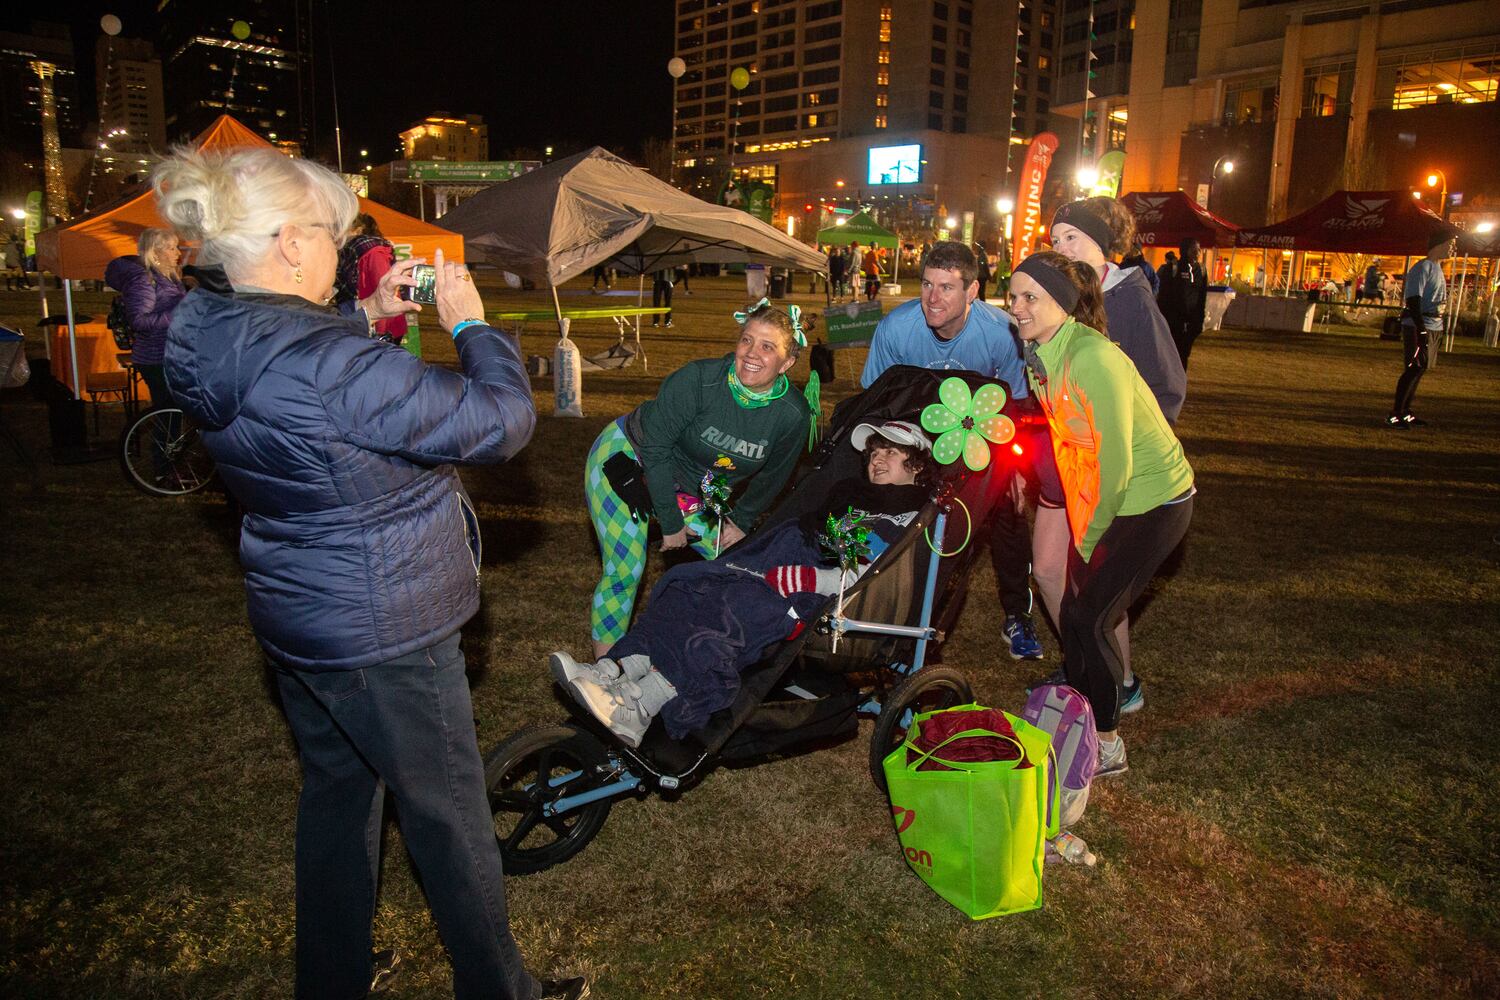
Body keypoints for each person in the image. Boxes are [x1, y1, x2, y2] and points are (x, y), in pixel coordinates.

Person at [154, 146, 584, 1000]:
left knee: (338, 799)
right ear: (285, 244)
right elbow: (499, 423)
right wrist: (470, 324)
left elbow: (296, 372)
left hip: (298, 615)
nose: (343, 245)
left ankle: (333, 976)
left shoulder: (206, 336)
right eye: (331, 232)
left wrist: (362, 310)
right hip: (386, 626)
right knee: (450, 818)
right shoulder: (333, 366)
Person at [555, 421, 935, 746]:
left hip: (811, 589)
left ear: (916, 463)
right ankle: (616, 673)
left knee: (732, 610)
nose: (877, 458)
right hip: (781, 554)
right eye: (874, 452)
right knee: (688, 583)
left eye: (891, 451)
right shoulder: (852, 496)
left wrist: (807, 577)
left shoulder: (901, 516)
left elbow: (863, 576)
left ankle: (642, 707)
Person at [1008, 251, 1194, 776]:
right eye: (1013, 295)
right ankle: (1088, 706)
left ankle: (1108, 740)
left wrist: (1088, 539)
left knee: (1088, 615)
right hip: (1111, 500)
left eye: (1030, 298)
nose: (1016, 308)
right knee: (1080, 614)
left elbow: (1115, 459)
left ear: (1063, 305)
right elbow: (1072, 448)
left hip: (1154, 502)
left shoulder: (1093, 357)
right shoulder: (1040, 353)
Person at [585, 300, 815, 659]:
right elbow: (657, 449)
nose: (752, 353)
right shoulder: (699, 380)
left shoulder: (792, 414)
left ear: (787, 363)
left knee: (740, 571)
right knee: (626, 570)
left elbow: (775, 474)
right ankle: (603, 673)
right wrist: (671, 522)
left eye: (767, 347)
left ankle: (698, 662)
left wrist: (742, 519)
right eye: (746, 340)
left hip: (693, 487)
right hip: (628, 457)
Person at [861, 240, 1045, 661]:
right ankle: (886, 603)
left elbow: (1016, 404)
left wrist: (1013, 470)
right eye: (927, 284)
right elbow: (873, 401)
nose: (932, 298)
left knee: (1008, 514)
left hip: (979, 436)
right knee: (909, 517)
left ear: (973, 291)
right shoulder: (896, 327)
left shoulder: (1002, 332)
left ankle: (1017, 614)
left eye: (946, 287)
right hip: (916, 436)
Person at [1043, 198, 1188, 713]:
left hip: (1119, 475)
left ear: (1103, 249)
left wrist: (1128, 449)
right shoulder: (1058, 299)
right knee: (1052, 571)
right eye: (1055, 239)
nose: (1061, 248)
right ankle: (1086, 664)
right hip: (1067, 467)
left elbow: (1166, 387)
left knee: (1097, 581)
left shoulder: (1130, 303)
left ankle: (1117, 681)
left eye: (1072, 239)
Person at [105, 228, 188, 412]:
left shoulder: (170, 276)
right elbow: (139, 321)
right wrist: (179, 312)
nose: (178, 253)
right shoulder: (143, 281)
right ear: (154, 251)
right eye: (171, 248)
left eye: (176, 247)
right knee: (168, 413)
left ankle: (169, 441)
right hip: (154, 357)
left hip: (171, 353)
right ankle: (164, 442)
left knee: (173, 413)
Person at [1387, 231, 1453, 427]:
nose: (1452, 249)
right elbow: (1413, 299)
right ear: (1439, 245)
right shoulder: (1423, 267)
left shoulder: (1438, 269)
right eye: (1449, 244)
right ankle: (1395, 413)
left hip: (1433, 324)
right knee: (1413, 367)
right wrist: (1421, 329)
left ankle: (1406, 411)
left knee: (1420, 368)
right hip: (1419, 325)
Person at [334, 213, 406, 343]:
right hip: (359, 317)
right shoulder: (350, 252)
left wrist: (381, 332)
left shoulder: (372, 251)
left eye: (343, 227)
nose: (338, 233)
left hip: (376, 324)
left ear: (358, 229)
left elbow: (383, 289)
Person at [1157, 239, 1208, 368]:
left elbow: (1202, 296)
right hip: (1174, 320)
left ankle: (1180, 379)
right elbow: (1164, 294)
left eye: (1199, 249)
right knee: (1173, 352)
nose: (1197, 253)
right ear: (1185, 251)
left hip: (1192, 321)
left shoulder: (1201, 271)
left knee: (1184, 353)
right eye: (1194, 249)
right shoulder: (1174, 268)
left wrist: (1199, 320)